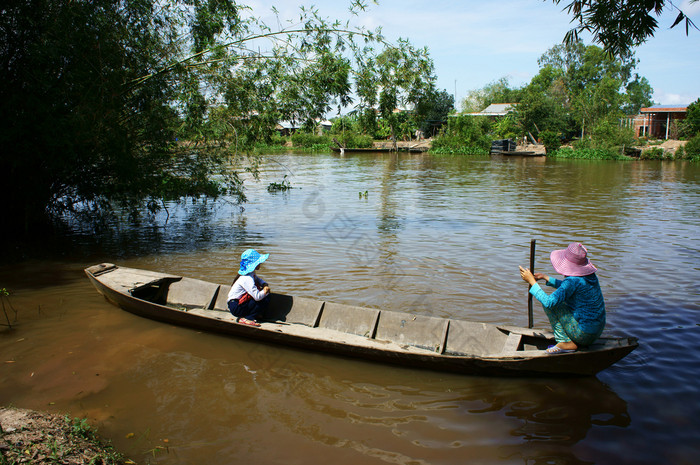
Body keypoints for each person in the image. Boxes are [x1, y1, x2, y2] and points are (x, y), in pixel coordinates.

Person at [519, 242, 606, 354]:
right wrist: (546, 278)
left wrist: (531, 281)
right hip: (597, 331)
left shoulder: (572, 281)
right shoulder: (589, 276)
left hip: (585, 335)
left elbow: (549, 302)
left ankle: (564, 342)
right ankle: (568, 340)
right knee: (559, 301)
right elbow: (570, 288)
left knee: (551, 304)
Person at [227, 249, 271, 327]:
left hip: (236, 304)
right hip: (236, 307)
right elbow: (257, 297)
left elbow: (258, 279)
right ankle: (247, 317)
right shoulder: (247, 278)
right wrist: (265, 291)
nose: (260, 264)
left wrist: (264, 284)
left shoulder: (251, 274)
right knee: (266, 297)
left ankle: (252, 314)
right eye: (259, 262)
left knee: (265, 295)